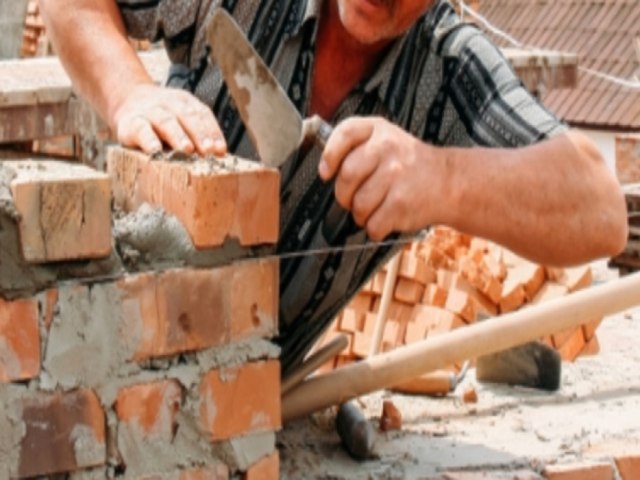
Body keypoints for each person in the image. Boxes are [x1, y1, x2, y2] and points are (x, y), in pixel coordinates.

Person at [41, 0, 628, 373]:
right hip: (101, 359)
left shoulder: (449, 68)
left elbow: (601, 210)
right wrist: (129, 93)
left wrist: (442, 177)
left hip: (236, 424)